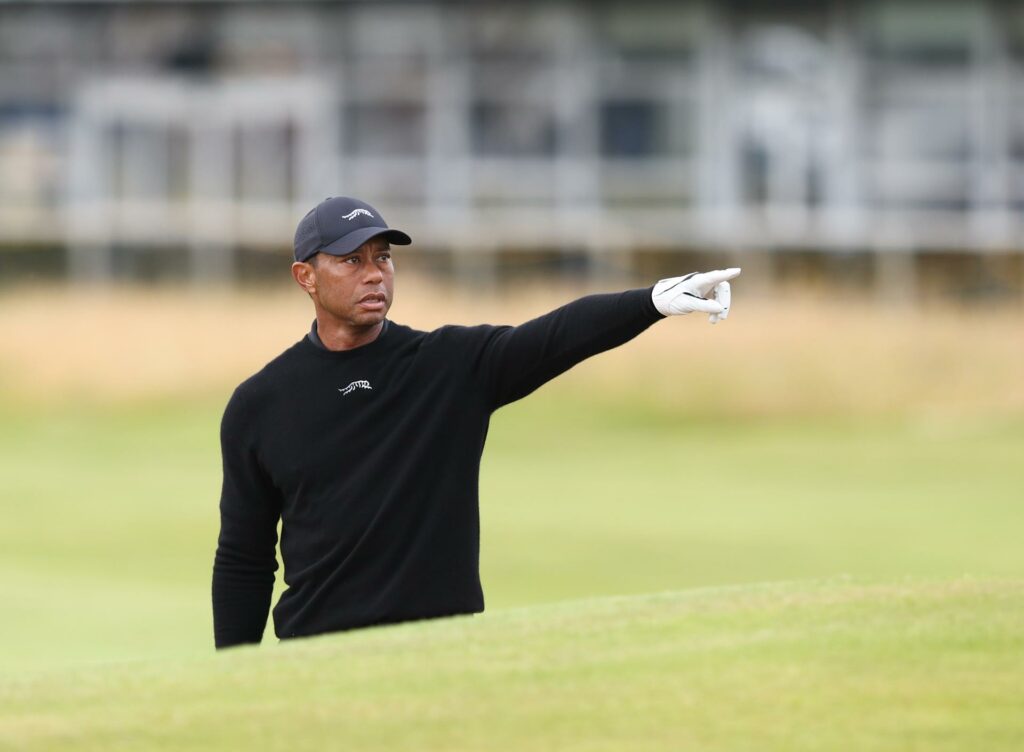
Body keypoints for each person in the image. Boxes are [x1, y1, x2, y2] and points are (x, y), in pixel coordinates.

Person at [212, 196, 740, 649]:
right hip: (316, 656)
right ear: (305, 276)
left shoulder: (448, 365)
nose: (375, 273)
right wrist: (233, 678)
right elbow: (244, 558)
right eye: (351, 260)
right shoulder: (260, 404)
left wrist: (650, 302)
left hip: (446, 653)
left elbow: (554, 337)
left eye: (384, 257)